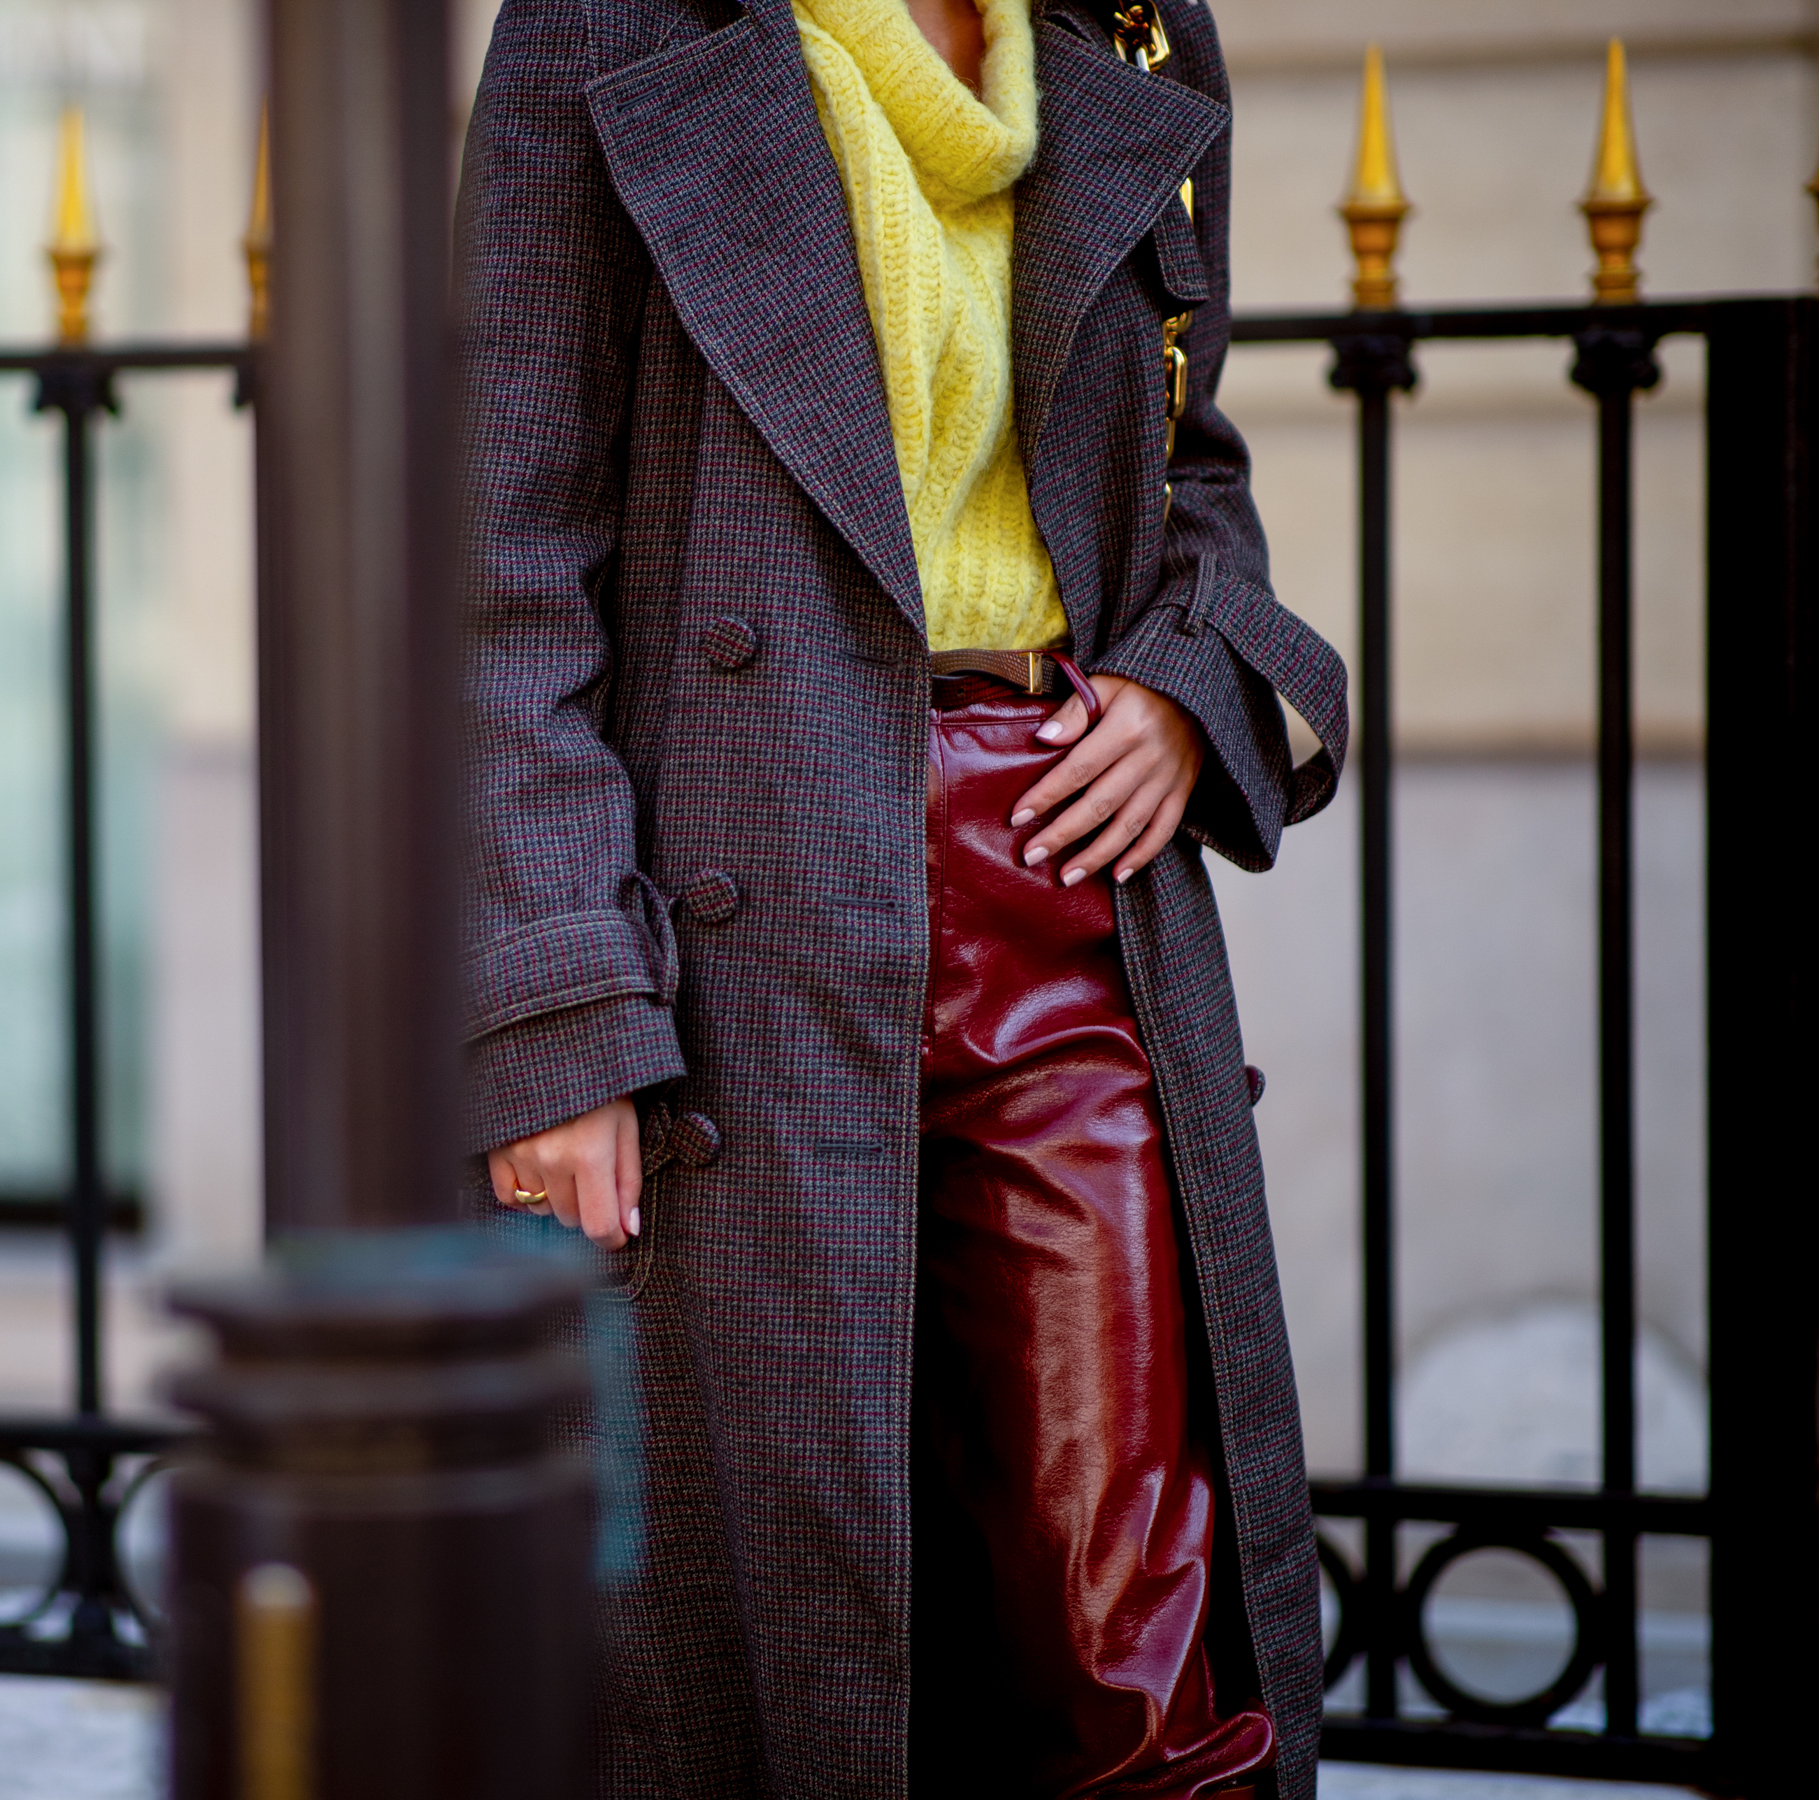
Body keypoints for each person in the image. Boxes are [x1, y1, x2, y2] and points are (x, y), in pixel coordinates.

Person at [458, 0, 1348, 1793]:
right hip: (735, 906)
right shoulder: (616, 23)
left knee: (1139, 1649)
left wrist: (1187, 677)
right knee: (785, 1651)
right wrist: (556, 1005)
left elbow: (1185, 471)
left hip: (1062, 868)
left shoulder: (1136, 27)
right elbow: (497, 552)